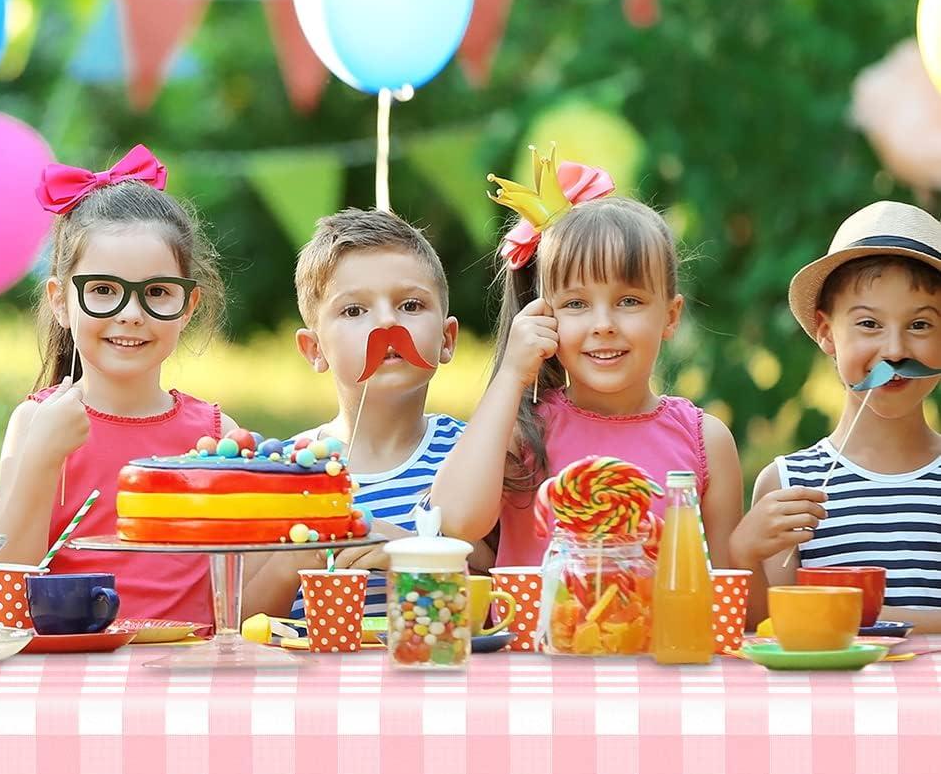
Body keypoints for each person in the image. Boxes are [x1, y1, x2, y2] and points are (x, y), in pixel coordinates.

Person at [430, 147, 742, 566]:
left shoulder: (706, 441)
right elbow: (454, 521)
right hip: (535, 633)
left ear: (670, 316)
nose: (603, 324)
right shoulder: (524, 429)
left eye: (629, 300)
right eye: (576, 304)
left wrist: (752, 548)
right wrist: (510, 376)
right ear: (544, 314)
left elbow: (730, 603)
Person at [0, 145, 229, 625]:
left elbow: (241, 599)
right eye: (103, 290)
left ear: (188, 305)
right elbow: (2, 599)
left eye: (158, 293)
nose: (130, 314)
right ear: (60, 301)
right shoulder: (36, 422)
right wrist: (42, 456)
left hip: (186, 678)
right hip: (70, 677)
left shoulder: (215, 438)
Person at [242, 208, 463, 622]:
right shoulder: (282, 472)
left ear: (447, 339)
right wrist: (301, 550)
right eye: (354, 311)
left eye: (410, 305)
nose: (386, 323)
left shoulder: (471, 454)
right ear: (314, 350)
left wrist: (405, 552)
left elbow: (499, 595)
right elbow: (240, 620)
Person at [732, 201, 941, 632]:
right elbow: (769, 629)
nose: (896, 350)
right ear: (827, 333)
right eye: (869, 324)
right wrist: (743, 553)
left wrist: (854, 615)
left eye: (920, 325)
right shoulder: (787, 486)